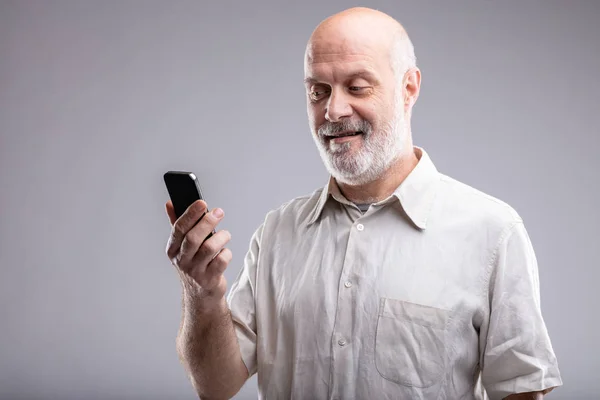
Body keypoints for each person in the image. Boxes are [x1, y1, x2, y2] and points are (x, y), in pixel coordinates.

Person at [164, 7, 562, 400]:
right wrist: (203, 291)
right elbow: (216, 386)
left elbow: (521, 391)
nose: (333, 110)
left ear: (409, 88)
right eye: (317, 91)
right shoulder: (276, 233)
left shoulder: (492, 232)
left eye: (357, 86)